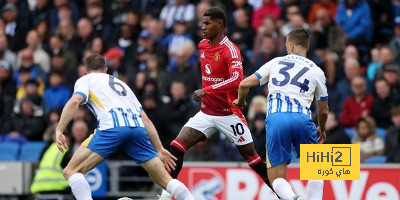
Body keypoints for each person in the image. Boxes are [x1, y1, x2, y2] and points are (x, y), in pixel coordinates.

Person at [159, 7, 274, 199]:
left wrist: (206, 90)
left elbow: (237, 79)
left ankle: (284, 194)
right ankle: (165, 195)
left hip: (229, 114)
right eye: (202, 23)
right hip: (206, 113)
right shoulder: (203, 45)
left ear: (219, 24)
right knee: (176, 146)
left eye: (207, 23)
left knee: (253, 160)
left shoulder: (231, 50)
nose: (203, 27)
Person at [55, 54, 194, 200]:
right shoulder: (122, 85)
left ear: (84, 70)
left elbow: (74, 101)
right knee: (166, 180)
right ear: (106, 69)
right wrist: (159, 148)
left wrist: (59, 129)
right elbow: (145, 118)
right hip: (137, 129)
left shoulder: (85, 80)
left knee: (71, 171)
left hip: (112, 128)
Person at [234, 28, 329, 200]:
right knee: (317, 170)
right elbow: (323, 109)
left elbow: (244, 84)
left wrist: (240, 102)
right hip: (303, 119)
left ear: (291, 46)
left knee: (276, 177)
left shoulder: (275, 62)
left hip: (277, 119)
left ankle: (293, 198)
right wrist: (321, 129)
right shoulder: (317, 71)